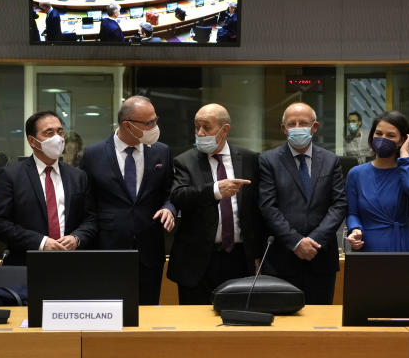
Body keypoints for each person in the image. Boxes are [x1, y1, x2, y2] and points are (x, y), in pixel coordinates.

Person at [81, 96, 176, 304]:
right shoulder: (93, 154)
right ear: (127, 125)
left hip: (150, 250)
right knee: (109, 314)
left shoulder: (162, 152)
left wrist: (169, 208)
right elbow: (88, 205)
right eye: (149, 123)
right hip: (108, 250)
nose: (155, 126)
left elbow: (170, 192)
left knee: (148, 313)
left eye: (155, 120)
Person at [169, 104, 262, 304]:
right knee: (195, 326)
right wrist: (215, 190)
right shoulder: (184, 161)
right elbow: (178, 196)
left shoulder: (249, 159)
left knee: (238, 323)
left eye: (206, 127)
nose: (200, 133)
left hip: (239, 258)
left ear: (225, 129)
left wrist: (258, 253)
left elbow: (256, 210)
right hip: (197, 260)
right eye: (197, 127)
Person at [259, 103, 347, 304]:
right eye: (292, 123)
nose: (297, 127)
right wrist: (297, 242)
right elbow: (268, 206)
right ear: (284, 128)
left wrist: (314, 241)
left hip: (321, 257)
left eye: (304, 123)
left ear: (314, 127)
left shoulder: (331, 160)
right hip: (282, 259)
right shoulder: (268, 160)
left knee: (320, 323)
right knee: (282, 325)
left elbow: (339, 205)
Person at [0, 111, 96, 266]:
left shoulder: (78, 176)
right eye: (49, 133)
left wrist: (77, 238)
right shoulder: (11, 175)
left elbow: (90, 219)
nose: (57, 138)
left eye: (60, 132)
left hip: (71, 263)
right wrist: (40, 242)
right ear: (32, 141)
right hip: (26, 263)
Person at [345, 111, 409, 253]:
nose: (383, 139)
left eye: (391, 135)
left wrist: (405, 155)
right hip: (368, 246)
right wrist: (355, 229)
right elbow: (353, 213)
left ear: (402, 140)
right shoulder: (356, 174)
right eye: (379, 133)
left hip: (402, 245)